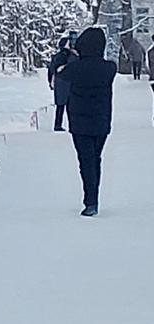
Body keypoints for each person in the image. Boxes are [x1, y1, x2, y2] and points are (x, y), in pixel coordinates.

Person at [57, 26, 118, 217]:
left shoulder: (74, 68)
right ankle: (94, 199)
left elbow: (58, 70)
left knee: (85, 161)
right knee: (95, 159)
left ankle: (90, 201)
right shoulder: (109, 68)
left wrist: (66, 52)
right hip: (102, 121)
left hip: (80, 123)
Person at [47, 33, 76, 132]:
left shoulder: (58, 56)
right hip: (67, 84)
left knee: (61, 106)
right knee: (69, 106)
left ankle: (58, 124)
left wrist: (50, 81)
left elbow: (51, 70)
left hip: (60, 85)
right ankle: (70, 125)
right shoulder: (70, 56)